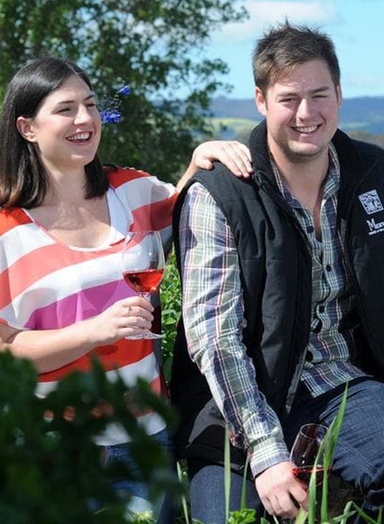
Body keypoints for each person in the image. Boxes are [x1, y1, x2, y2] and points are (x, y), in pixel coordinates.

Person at [170, 23, 384, 523]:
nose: (307, 114)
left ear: (339, 94)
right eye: (289, 99)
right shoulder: (220, 194)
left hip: (346, 385)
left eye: (319, 95)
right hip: (240, 405)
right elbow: (217, 340)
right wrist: (266, 452)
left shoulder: (370, 172)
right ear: (261, 101)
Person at [0, 56, 249, 521]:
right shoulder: (5, 230)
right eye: (66, 108)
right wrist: (95, 331)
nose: (85, 119)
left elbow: (192, 219)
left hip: (146, 437)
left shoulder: (133, 189)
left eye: (91, 105)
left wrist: (200, 160)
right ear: (27, 127)